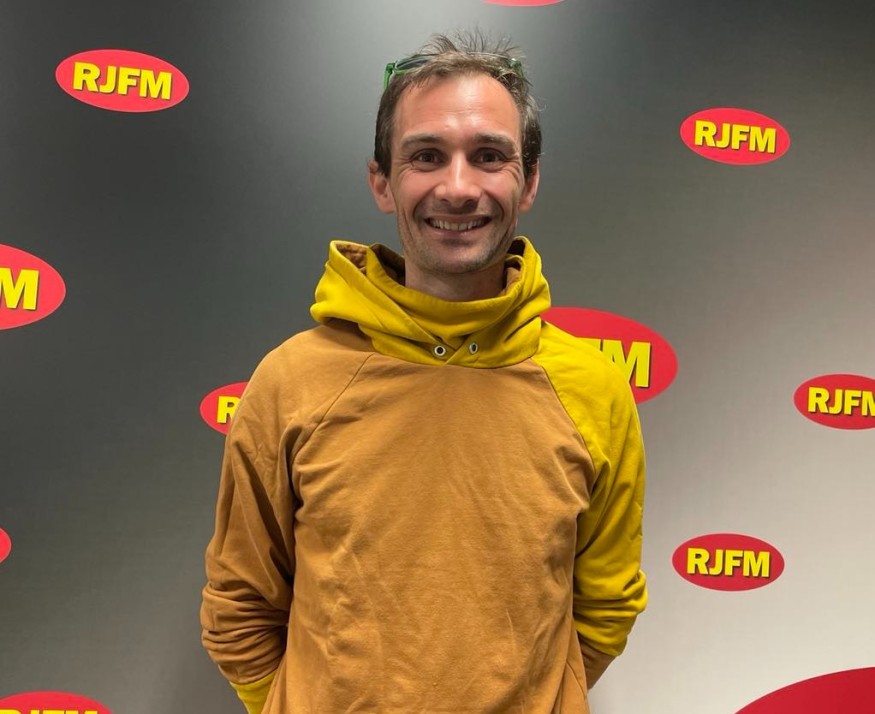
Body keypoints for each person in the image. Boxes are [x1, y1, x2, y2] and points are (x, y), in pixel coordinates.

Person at [201, 32, 647, 714]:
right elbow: (239, 606)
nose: (458, 187)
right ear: (382, 182)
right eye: (426, 156)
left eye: (489, 156)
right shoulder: (292, 381)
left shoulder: (593, 388)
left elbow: (605, 605)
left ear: (528, 181)